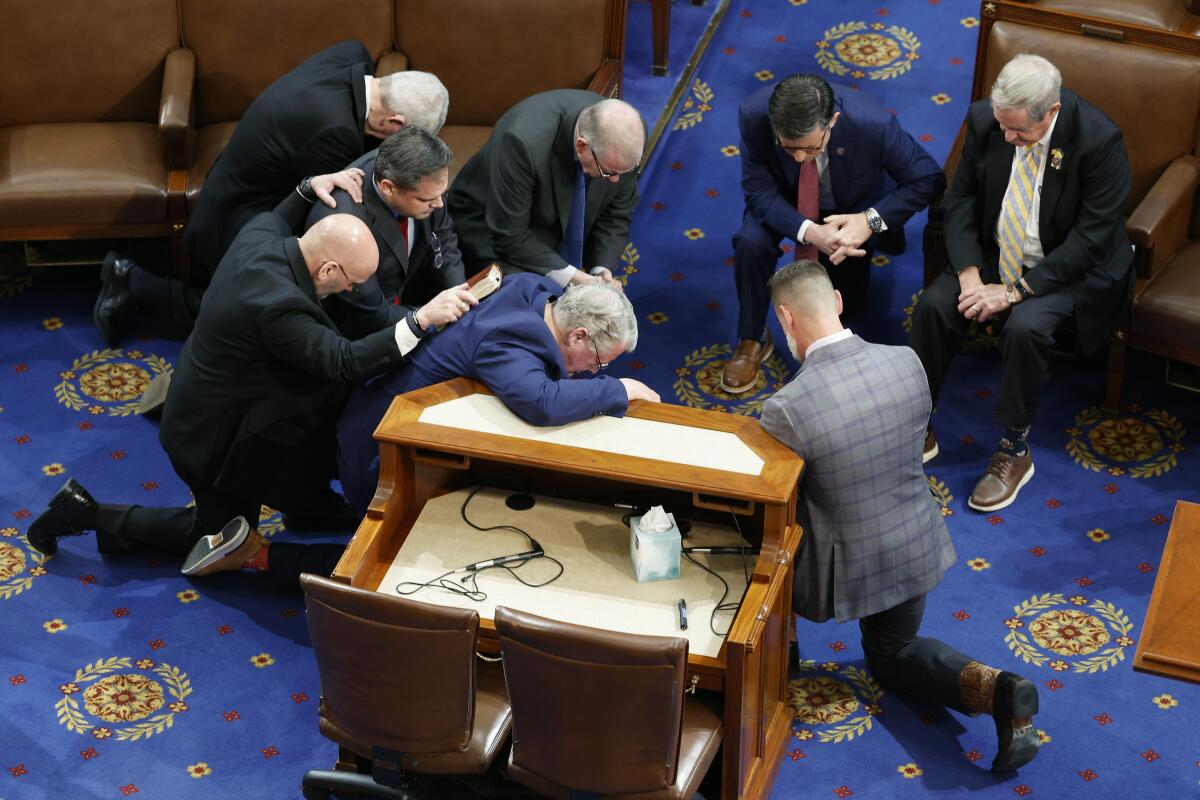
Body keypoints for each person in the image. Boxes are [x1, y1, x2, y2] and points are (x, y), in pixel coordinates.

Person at [27, 211, 477, 574]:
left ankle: (309, 507)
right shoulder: (279, 306)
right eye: (352, 282)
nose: (354, 291)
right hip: (211, 441)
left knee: (305, 436)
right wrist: (420, 322)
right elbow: (342, 361)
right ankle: (83, 514)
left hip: (224, 399)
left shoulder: (263, 234)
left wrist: (308, 187)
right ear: (329, 268)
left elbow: (284, 210)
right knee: (222, 537)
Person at [181, 274, 661, 587]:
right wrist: (618, 390)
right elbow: (541, 402)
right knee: (406, 570)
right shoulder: (513, 339)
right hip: (381, 453)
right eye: (597, 362)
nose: (592, 373)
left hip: (385, 422)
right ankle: (257, 556)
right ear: (577, 333)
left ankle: (319, 519)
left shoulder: (534, 293)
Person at [760, 260, 1041, 773]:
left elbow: (780, 501)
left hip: (846, 568)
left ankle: (780, 652)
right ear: (839, 303)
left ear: (786, 318)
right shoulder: (908, 361)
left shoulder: (785, 407)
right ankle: (1002, 690)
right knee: (892, 653)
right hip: (914, 541)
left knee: (761, 532)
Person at [95, 39, 450, 343]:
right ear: (394, 123)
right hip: (238, 217)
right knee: (248, 315)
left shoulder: (351, 55)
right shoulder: (332, 135)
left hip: (242, 181)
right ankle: (132, 282)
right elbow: (331, 212)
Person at [908, 54, 1133, 512]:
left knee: (1026, 326)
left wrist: (1015, 292)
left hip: (1065, 267)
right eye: (1002, 126)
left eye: (1019, 132)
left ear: (1051, 112)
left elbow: (1092, 239)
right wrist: (969, 272)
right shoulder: (986, 119)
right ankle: (917, 422)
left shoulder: (1098, 139)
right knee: (934, 305)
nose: (1007, 138)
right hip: (994, 254)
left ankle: (1014, 448)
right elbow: (963, 197)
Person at [723, 73, 944, 394]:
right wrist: (811, 232)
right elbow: (758, 192)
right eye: (789, 149)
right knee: (750, 241)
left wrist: (870, 222)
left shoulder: (873, 125)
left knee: (849, 304)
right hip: (785, 200)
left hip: (851, 209)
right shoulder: (754, 114)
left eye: (810, 147)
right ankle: (750, 338)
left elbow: (929, 178)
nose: (800, 157)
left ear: (833, 122)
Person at [447, 91, 645, 290]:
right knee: (542, 306)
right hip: (491, 231)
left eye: (624, 172)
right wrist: (576, 278)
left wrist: (601, 272)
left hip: (550, 231)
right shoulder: (522, 142)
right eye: (608, 172)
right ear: (581, 146)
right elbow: (510, 236)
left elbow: (616, 215)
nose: (615, 180)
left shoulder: (627, 141)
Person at [305, 125, 466, 339]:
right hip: (360, 337)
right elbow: (371, 316)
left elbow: (444, 240)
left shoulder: (425, 180)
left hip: (408, 297)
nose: (439, 204)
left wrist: (460, 296)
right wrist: (429, 318)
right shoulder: (346, 227)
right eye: (427, 199)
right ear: (388, 187)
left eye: (442, 194)